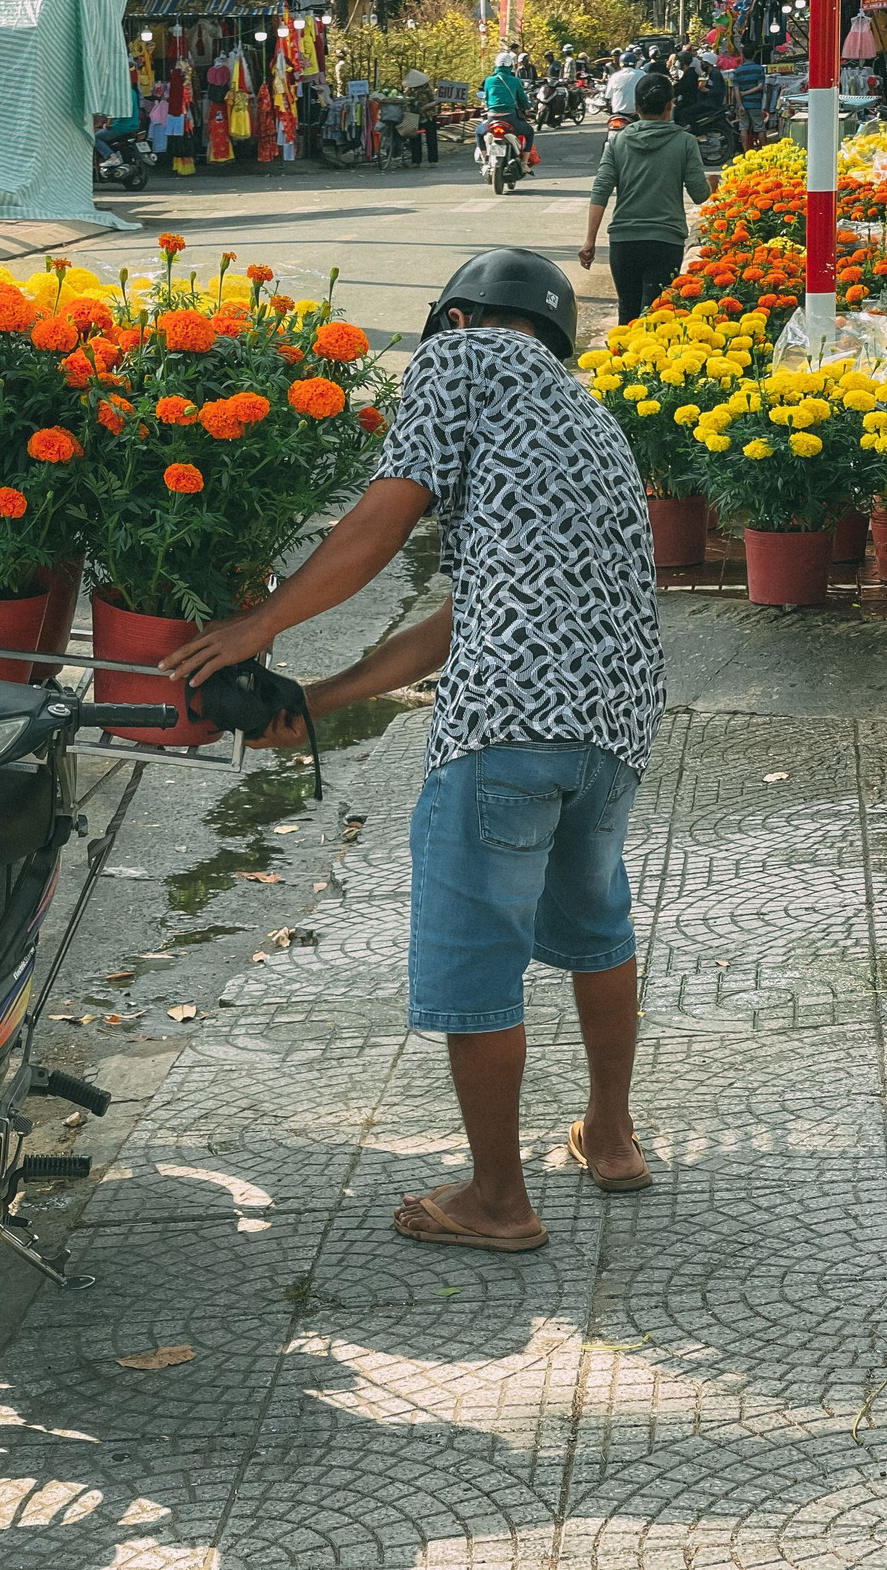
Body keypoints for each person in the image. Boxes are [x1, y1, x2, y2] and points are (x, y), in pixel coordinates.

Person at [161, 249, 665, 1250]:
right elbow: (463, 616)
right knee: (596, 924)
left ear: (460, 316)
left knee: (477, 957)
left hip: (506, 724)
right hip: (616, 720)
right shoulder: (588, 416)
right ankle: (609, 1137)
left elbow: (379, 523)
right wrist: (321, 698)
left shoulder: (461, 362)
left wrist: (257, 628)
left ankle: (496, 1199)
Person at [580, 71, 712, 324]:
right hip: (666, 242)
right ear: (670, 106)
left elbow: (601, 189)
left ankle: (621, 364)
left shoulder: (618, 142)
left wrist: (589, 241)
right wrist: (711, 185)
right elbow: (699, 194)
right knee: (656, 319)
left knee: (627, 314)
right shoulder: (685, 142)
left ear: (636, 108)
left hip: (624, 241)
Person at [475, 52, 534, 159]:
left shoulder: (488, 80)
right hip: (510, 118)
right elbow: (523, 99)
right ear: (510, 66)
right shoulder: (515, 81)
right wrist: (528, 108)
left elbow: (487, 98)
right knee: (529, 132)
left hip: (492, 118)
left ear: (496, 65)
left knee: (478, 132)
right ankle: (525, 162)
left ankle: (484, 158)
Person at [729, 53, 767, 150]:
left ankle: (746, 152)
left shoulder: (737, 71)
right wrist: (746, 93)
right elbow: (760, 86)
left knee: (743, 127)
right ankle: (765, 150)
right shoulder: (759, 69)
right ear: (754, 55)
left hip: (743, 104)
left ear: (743, 56)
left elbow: (736, 90)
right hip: (755, 103)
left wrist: (740, 105)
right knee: (760, 127)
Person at [403, 69, 440, 167]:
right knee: (414, 138)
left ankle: (433, 161)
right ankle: (416, 161)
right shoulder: (409, 90)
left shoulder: (428, 88)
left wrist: (427, 106)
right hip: (413, 114)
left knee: (431, 138)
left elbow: (436, 100)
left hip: (428, 115)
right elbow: (405, 99)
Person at [606, 51, 642, 119]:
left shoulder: (614, 76)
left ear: (621, 63)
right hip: (636, 112)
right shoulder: (641, 74)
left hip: (617, 112)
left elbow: (608, 95)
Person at [671, 51, 703, 126]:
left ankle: (696, 133)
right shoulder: (688, 73)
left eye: (678, 61)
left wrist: (671, 92)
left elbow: (680, 88)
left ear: (683, 62)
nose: (676, 63)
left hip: (690, 102)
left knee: (678, 112)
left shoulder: (690, 75)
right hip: (688, 100)